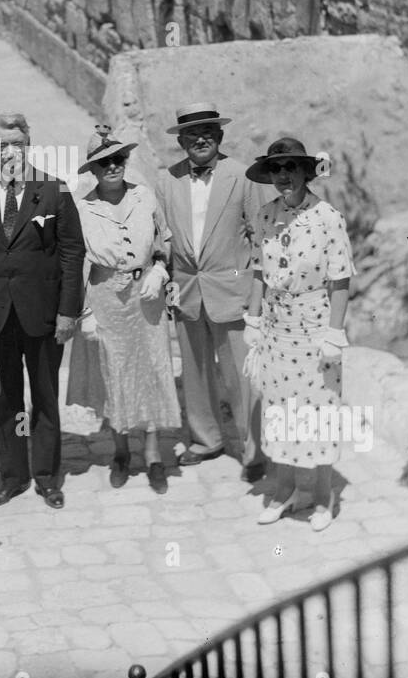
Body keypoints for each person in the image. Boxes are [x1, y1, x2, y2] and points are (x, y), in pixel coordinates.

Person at [0, 112, 84, 510]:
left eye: (17, 143)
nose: (10, 151)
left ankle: (46, 476)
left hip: (42, 314)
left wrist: (68, 311)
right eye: (2, 144)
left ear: (30, 144)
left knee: (44, 396)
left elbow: (72, 253)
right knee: (5, 398)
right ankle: (13, 478)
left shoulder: (53, 189)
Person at [154, 102, 271, 482]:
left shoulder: (243, 176)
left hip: (233, 291)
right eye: (192, 134)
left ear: (219, 137)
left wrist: (254, 294)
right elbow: (163, 238)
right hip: (187, 291)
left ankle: (254, 452)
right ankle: (206, 440)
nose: (200, 139)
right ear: (181, 141)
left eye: (207, 132)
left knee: (241, 375)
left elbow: (261, 239)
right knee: (195, 371)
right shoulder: (166, 180)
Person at [243, 137, 355, 531]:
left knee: (319, 411)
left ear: (306, 171)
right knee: (279, 412)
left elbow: (340, 280)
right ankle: (284, 491)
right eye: (277, 168)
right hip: (276, 328)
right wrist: (252, 321)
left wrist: (334, 334)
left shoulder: (328, 217)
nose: (284, 175)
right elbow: (259, 270)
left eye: (291, 167)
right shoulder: (265, 215)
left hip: (314, 326)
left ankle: (323, 499)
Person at [71, 126, 182, 494]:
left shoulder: (145, 197)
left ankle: (152, 454)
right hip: (106, 295)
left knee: (151, 366)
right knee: (114, 371)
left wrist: (161, 271)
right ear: (93, 169)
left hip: (146, 294)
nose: (113, 167)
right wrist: (84, 311)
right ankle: (120, 451)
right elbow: (76, 262)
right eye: (104, 162)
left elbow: (165, 240)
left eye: (118, 158)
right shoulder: (83, 207)